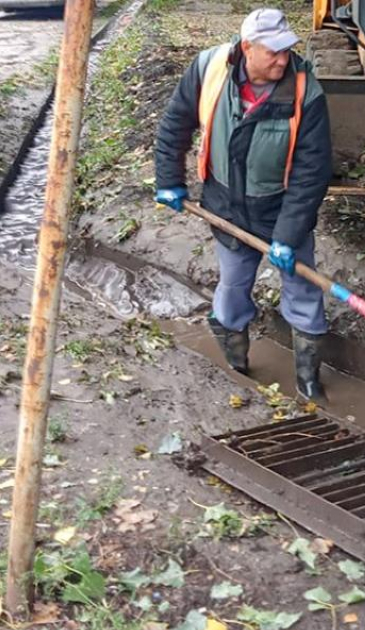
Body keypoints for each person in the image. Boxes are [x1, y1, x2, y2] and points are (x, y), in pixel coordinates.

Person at [154, 8, 332, 402]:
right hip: (227, 205)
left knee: (303, 291)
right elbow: (175, 123)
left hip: (282, 208)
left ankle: (308, 381)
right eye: (274, 52)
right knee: (233, 287)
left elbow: (312, 172)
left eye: (288, 51)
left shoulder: (305, 91)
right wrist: (169, 179)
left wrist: (287, 235)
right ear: (247, 47)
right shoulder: (209, 68)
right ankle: (236, 366)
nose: (283, 60)